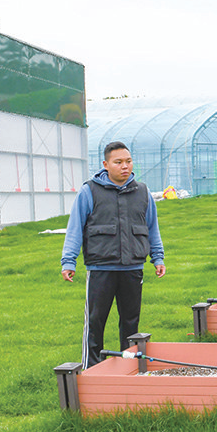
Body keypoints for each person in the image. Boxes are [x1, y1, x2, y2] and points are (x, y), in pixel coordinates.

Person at [61, 142, 165, 368]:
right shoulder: (89, 191)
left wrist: (158, 257)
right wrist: (69, 261)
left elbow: (152, 227)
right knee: (95, 322)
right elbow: (75, 228)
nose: (125, 166)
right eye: (118, 162)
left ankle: (129, 367)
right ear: (106, 164)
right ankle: (91, 368)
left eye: (128, 161)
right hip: (100, 269)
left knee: (131, 322)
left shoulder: (143, 192)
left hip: (133, 268)